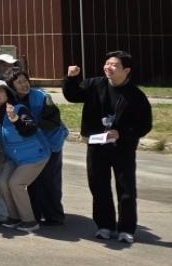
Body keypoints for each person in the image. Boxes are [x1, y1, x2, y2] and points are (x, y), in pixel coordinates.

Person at [64, 52, 152, 243]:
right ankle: (104, 225)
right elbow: (72, 96)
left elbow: (145, 125)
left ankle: (126, 229)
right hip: (97, 145)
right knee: (98, 185)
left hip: (123, 148)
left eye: (114, 65)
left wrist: (122, 133)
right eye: (107, 64)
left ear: (126, 70)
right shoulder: (95, 85)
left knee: (126, 189)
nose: (108, 67)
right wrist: (71, 78)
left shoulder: (136, 95)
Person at [0, 79, 48, 233]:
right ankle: (14, 216)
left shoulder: (19, 109)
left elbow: (30, 129)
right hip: (14, 157)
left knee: (15, 183)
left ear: (7, 94)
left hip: (35, 155)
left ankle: (29, 221)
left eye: (0, 91)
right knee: (3, 182)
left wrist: (16, 120)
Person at [5, 68, 67, 226]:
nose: (24, 85)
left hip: (51, 143)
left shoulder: (42, 96)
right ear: (11, 85)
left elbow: (54, 121)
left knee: (50, 180)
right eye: (19, 83)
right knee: (32, 182)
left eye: (25, 81)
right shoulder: (10, 101)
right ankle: (36, 213)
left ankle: (54, 216)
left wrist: (32, 124)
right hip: (31, 147)